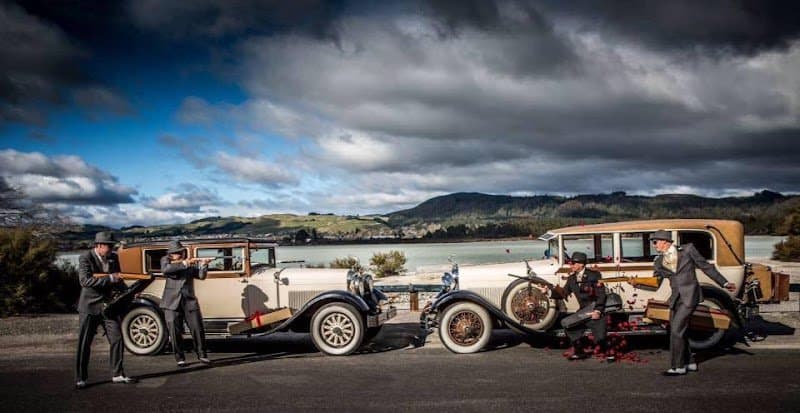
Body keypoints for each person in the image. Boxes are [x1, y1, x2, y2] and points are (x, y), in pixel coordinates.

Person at [651, 230, 736, 376]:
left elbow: (706, 267)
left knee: (676, 330)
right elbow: (656, 281)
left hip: (690, 296)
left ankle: (678, 367)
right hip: (675, 299)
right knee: (679, 331)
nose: (654, 245)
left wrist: (724, 282)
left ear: (664, 241)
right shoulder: (659, 261)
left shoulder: (688, 249)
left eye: (655, 242)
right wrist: (636, 282)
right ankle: (690, 362)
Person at [75, 232, 137, 389]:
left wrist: (130, 291)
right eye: (109, 246)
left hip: (109, 306)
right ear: (99, 245)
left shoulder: (114, 257)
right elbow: (85, 281)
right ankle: (81, 378)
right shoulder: (85, 257)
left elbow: (119, 280)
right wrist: (109, 278)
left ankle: (117, 374)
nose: (112, 248)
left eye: (112, 246)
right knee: (85, 343)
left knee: (117, 339)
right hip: (89, 306)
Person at [160, 240, 212, 366]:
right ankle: (180, 357)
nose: (179, 254)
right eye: (176, 253)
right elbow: (166, 270)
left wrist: (204, 265)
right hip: (171, 301)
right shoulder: (165, 260)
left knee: (197, 329)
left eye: (180, 252)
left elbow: (201, 276)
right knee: (174, 330)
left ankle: (202, 355)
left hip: (189, 300)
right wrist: (184, 263)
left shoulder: (188, 262)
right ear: (171, 254)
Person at [557, 252, 612, 362]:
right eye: (570, 263)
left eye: (573, 263)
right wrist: (548, 292)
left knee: (601, 339)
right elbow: (563, 293)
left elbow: (601, 294)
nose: (571, 265)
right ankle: (579, 351)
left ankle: (608, 353)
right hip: (582, 311)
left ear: (581, 264)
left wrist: (598, 310)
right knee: (568, 324)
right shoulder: (572, 279)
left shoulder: (594, 275)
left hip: (594, 310)